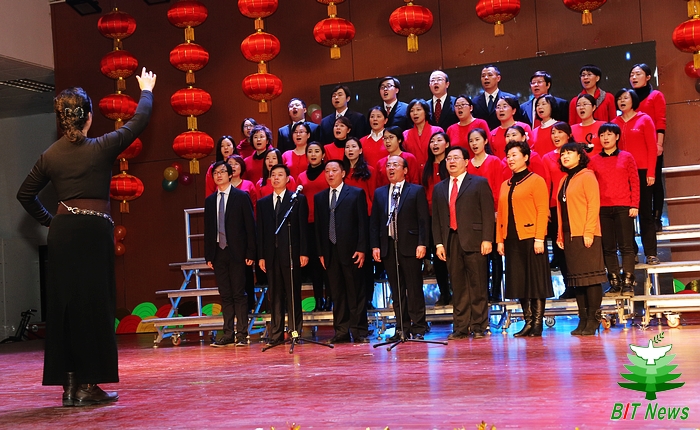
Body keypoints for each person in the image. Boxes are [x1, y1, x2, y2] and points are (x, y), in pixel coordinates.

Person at [16, 68, 156, 406]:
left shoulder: (50, 155)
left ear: (62, 119)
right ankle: (88, 386)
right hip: (93, 233)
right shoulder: (102, 147)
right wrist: (147, 90)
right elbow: (138, 122)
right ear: (88, 117)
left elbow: (25, 194)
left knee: (65, 308)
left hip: (63, 234)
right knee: (93, 307)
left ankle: (69, 387)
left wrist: (52, 222)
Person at [432, 147, 495, 340]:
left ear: (466, 162)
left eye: (456, 158)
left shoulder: (479, 183)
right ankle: (460, 327)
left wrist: (487, 239)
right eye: (449, 158)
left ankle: (479, 325)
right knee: (458, 286)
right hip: (451, 239)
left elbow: (487, 213)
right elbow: (436, 218)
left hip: (475, 239)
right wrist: (439, 244)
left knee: (478, 284)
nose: (451, 161)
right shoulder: (439, 188)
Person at [496, 141, 553, 337]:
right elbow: (501, 214)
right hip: (511, 238)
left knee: (535, 280)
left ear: (526, 157)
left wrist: (539, 238)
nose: (510, 159)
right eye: (508, 156)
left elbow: (542, 211)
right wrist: (500, 240)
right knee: (519, 280)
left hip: (531, 237)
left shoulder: (536, 180)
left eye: (514, 155)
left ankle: (537, 322)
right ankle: (528, 321)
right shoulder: (505, 184)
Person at [371, 155, 430, 340]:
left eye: (395, 165)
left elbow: (423, 220)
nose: (391, 168)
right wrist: (375, 246)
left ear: (405, 170)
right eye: (388, 165)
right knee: (397, 291)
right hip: (389, 247)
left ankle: (419, 327)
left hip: (410, 246)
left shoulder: (416, 191)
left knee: (414, 289)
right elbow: (375, 222)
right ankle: (402, 328)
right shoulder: (380, 193)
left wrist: (422, 243)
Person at [314, 160, 370, 344]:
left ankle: (359, 331)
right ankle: (341, 331)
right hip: (330, 252)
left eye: (334, 170)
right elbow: (318, 227)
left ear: (343, 173)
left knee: (355, 292)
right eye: (327, 171)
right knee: (336, 294)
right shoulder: (320, 197)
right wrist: (321, 252)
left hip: (352, 251)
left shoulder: (355, 193)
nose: (330, 174)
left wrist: (362, 248)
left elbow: (362, 223)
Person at [556, 143, 608, 336]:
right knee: (577, 280)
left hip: (586, 233)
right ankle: (583, 319)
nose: (565, 156)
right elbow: (561, 211)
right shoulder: (563, 180)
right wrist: (560, 235)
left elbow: (594, 205)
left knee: (591, 279)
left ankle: (593, 319)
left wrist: (588, 232)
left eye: (569, 152)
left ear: (580, 156)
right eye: (563, 153)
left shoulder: (587, 176)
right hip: (570, 235)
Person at [205, 161, 257, 347]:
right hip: (218, 253)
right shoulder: (210, 201)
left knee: (239, 294)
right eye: (215, 173)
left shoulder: (241, 196)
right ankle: (228, 334)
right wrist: (208, 255)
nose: (218, 175)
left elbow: (250, 226)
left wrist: (251, 252)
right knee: (225, 294)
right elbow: (208, 229)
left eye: (222, 172)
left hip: (238, 253)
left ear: (230, 175)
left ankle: (242, 334)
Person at [257, 164, 309, 346]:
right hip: (271, 255)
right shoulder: (263, 203)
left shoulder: (297, 200)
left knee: (293, 294)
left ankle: (295, 331)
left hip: (292, 254)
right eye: (273, 175)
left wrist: (304, 252)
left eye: (280, 175)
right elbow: (261, 232)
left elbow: (303, 228)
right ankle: (276, 333)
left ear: (288, 179)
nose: (276, 178)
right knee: (275, 295)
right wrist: (261, 256)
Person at [589, 123, 640, 296]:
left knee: (626, 246)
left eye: (609, 134)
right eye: (602, 135)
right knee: (608, 248)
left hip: (624, 207)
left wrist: (634, 205)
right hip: (603, 208)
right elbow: (591, 186)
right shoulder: (594, 160)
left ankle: (628, 282)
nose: (605, 138)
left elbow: (635, 182)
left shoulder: (627, 157)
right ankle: (614, 282)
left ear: (617, 137)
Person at [612, 88, 658, 264]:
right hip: (622, 174)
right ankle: (631, 252)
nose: (622, 101)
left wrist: (651, 172)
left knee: (645, 213)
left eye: (625, 98)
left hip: (643, 171)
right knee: (625, 215)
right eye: (619, 99)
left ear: (633, 100)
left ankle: (651, 253)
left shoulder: (644, 119)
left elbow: (652, 147)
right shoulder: (614, 123)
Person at [467, 128, 507, 302]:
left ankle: (496, 291)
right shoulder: (467, 164)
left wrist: (496, 211)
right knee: (478, 256)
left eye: (477, 139)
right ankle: (481, 291)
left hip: (493, 214)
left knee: (495, 256)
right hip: (473, 217)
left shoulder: (495, 161)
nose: (474, 143)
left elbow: (499, 187)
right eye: (471, 141)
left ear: (485, 141)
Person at [630, 63, 667, 232]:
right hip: (634, 148)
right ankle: (640, 221)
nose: (634, 77)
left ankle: (657, 218)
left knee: (655, 182)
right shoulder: (628, 97)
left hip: (652, 146)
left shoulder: (655, 95)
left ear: (648, 77)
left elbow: (661, 121)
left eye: (638, 74)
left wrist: (659, 144)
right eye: (632, 74)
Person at [541, 122, 574, 298]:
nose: (555, 136)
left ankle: (581, 285)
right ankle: (569, 286)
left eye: (559, 132)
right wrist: (546, 206)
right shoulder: (547, 157)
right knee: (560, 248)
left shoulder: (577, 153)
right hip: (555, 206)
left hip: (575, 205)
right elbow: (546, 183)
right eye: (553, 132)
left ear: (569, 135)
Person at [297, 142, 330, 312]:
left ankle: (330, 298)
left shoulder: (329, 172)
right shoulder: (301, 177)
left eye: (317, 151)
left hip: (326, 222)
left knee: (327, 262)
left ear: (323, 155)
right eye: (310, 151)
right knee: (315, 264)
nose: (313, 154)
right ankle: (318, 299)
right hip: (308, 224)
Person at [226, 154, 259, 311]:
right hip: (227, 236)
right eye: (230, 164)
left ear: (242, 167)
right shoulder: (223, 188)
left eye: (236, 164)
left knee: (246, 271)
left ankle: (249, 303)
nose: (233, 166)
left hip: (244, 234)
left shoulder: (248, 185)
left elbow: (254, 208)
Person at [422, 132, 451, 305]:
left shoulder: (450, 164)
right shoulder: (426, 167)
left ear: (446, 144)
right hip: (432, 217)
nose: (435, 144)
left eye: (439, 140)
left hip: (450, 215)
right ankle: (444, 293)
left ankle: (457, 292)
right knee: (438, 258)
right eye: (432, 141)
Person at [403, 98, 443, 175]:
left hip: (433, 172)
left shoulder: (437, 131)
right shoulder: (405, 134)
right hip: (413, 173)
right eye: (412, 111)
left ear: (425, 112)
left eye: (418, 110)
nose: (415, 113)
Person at [471, 65, 518, 130]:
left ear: (498, 78)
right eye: (483, 76)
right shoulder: (474, 102)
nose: (486, 78)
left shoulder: (511, 99)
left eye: (490, 75)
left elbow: (518, 122)